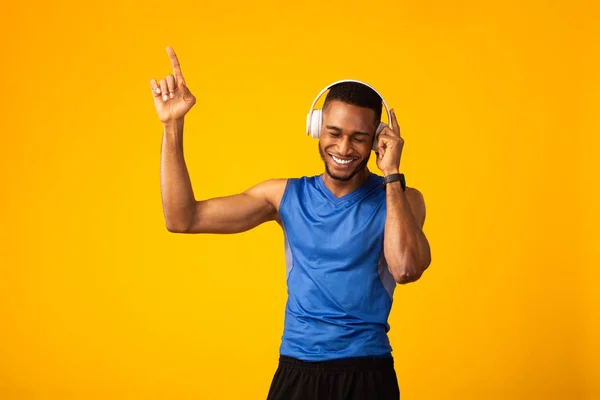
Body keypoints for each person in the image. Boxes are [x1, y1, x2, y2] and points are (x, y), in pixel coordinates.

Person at [151, 46, 432, 400]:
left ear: (378, 138)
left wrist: (391, 172)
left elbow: (406, 268)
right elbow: (182, 219)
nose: (343, 147)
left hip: (368, 373)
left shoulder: (403, 199)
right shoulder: (282, 197)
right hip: (297, 370)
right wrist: (172, 125)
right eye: (333, 132)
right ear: (315, 128)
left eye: (359, 137)